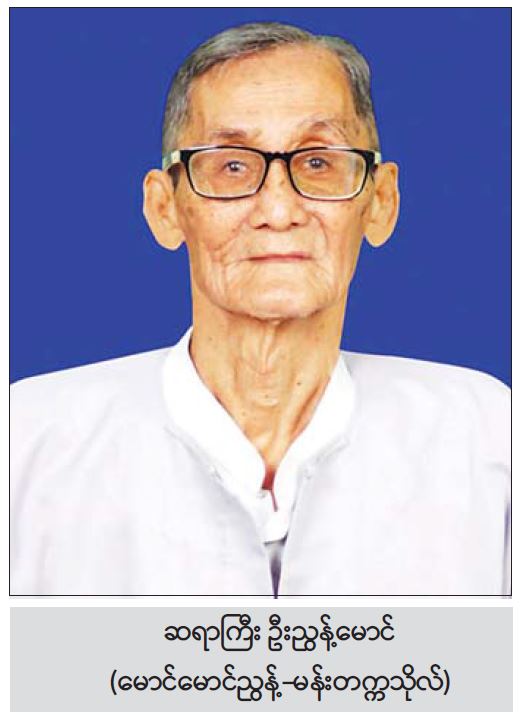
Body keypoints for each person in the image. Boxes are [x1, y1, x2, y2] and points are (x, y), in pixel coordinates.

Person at [10, 22, 510, 596]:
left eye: (318, 163)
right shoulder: (26, 445)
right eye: (232, 166)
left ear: (381, 201)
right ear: (165, 207)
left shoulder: (488, 442)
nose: (278, 210)